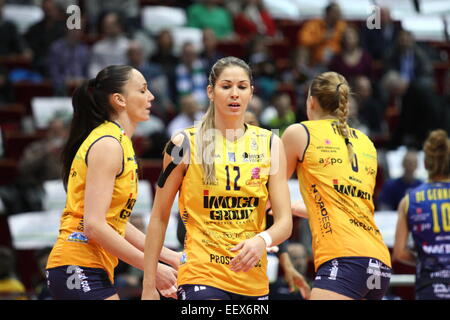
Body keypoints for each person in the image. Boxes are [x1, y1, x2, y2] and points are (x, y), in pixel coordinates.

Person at [142, 56, 292, 300]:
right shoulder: (183, 143)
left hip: (252, 279)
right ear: (211, 92)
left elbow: (284, 223)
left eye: (242, 87)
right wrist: (149, 286)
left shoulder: (271, 143)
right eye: (226, 86)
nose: (234, 93)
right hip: (202, 275)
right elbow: (159, 217)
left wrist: (262, 240)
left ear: (251, 93)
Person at [45, 65, 180, 300]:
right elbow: (94, 225)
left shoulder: (119, 141)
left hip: (92, 268)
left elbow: (116, 221)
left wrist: (168, 256)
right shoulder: (108, 144)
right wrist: (151, 268)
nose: (151, 96)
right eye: (142, 90)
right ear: (119, 100)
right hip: (75, 266)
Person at [281, 71, 392, 300]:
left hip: (344, 258)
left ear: (311, 101)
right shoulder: (365, 142)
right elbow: (343, 206)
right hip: (378, 261)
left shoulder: (299, 133)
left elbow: (269, 187)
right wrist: (292, 206)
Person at [393, 129, 450, 300]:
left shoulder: (409, 200)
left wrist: (425, 258)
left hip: (429, 288)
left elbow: (400, 252)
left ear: (425, 163)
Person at [297, 2, 347, 67]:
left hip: (337, 64)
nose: (338, 15)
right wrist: (321, 38)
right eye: (335, 12)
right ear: (327, 13)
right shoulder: (314, 25)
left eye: (339, 12)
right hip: (316, 63)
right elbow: (303, 40)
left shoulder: (342, 27)